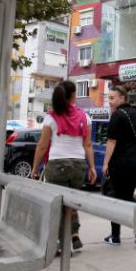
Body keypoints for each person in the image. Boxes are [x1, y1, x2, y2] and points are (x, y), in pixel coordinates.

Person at [31, 80, 97, 251]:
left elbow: (42, 145)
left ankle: (61, 244)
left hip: (57, 164)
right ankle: (74, 234)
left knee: (59, 204)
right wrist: (92, 167)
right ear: (73, 95)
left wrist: (35, 168)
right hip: (78, 165)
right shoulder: (85, 117)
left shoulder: (51, 117)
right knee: (71, 202)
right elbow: (88, 144)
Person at [102, 85, 136, 245]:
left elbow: (111, 141)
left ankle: (115, 236)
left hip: (120, 162)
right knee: (127, 196)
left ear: (122, 98)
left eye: (112, 98)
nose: (110, 102)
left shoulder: (117, 115)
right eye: (108, 98)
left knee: (116, 199)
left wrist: (105, 163)